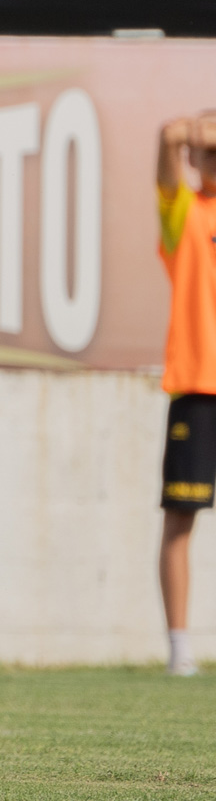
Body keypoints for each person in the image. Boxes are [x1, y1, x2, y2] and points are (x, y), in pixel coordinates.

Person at [156, 109, 216, 677]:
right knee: (181, 517)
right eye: (206, 152)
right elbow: (167, 143)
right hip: (198, 387)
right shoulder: (185, 214)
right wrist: (183, 135)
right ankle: (180, 648)